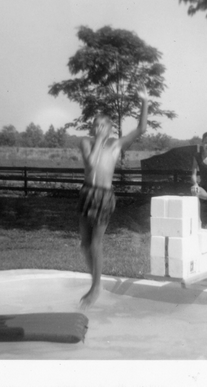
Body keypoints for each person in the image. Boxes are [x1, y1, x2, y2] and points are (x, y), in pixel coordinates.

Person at [77, 84, 149, 309]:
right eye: (95, 125)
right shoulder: (86, 143)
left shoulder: (117, 145)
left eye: (103, 125)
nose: (98, 128)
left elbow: (141, 129)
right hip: (87, 193)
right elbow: (90, 166)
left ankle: (95, 286)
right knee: (84, 244)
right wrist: (98, 141)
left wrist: (145, 101)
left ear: (110, 128)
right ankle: (94, 281)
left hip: (104, 196)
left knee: (96, 243)